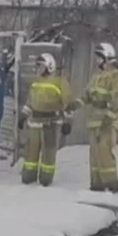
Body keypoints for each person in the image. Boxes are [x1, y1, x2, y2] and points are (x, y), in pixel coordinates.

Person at [67, 42, 118, 193]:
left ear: (106, 57)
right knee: (94, 154)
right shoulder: (97, 77)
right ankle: (97, 184)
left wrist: (110, 116)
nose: (96, 61)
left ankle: (111, 184)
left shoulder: (117, 77)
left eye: (99, 58)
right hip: (94, 121)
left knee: (104, 152)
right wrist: (76, 103)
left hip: (107, 121)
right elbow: (88, 95)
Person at [17, 53, 71, 187]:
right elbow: (30, 102)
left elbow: (68, 104)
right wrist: (23, 116)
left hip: (51, 123)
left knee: (49, 152)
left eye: (40, 66)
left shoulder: (60, 82)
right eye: (37, 66)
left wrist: (67, 122)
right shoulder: (35, 83)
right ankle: (28, 177)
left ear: (49, 67)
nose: (37, 69)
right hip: (34, 122)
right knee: (31, 151)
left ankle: (46, 179)